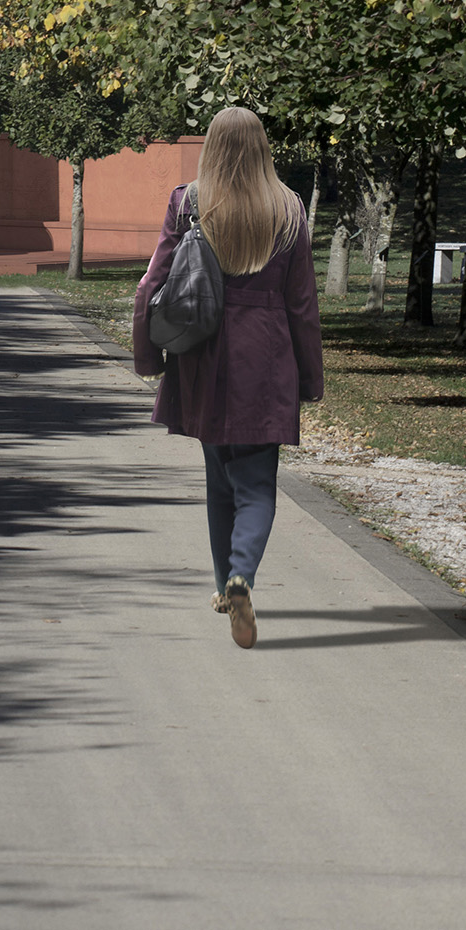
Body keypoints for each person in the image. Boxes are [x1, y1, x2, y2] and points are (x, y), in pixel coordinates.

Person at [131, 106, 322, 651]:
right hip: (267, 355)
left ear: (212, 147)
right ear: (263, 147)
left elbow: (154, 284)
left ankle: (224, 587)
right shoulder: (289, 209)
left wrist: (150, 359)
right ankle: (240, 576)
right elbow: (303, 304)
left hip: (204, 356)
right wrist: (309, 377)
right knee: (257, 483)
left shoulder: (189, 202)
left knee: (219, 478)